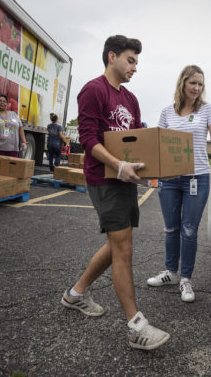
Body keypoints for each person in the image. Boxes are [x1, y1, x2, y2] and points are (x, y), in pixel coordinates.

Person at [60, 35, 170, 351]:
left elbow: (134, 139)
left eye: (137, 61)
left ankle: (76, 294)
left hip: (125, 181)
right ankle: (136, 326)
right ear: (112, 57)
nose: (135, 67)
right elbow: (88, 138)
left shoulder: (132, 100)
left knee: (117, 242)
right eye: (130, 60)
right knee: (123, 248)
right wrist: (117, 165)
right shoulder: (94, 90)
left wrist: (144, 169)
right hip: (103, 179)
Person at [146, 65, 211, 302]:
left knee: (189, 230)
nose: (197, 88)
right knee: (171, 228)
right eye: (193, 83)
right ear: (183, 83)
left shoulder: (207, 110)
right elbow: (159, 144)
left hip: (196, 178)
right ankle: (171, 272)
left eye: (200, 84)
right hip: (169, 179)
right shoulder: (167, 112)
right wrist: (152, 172)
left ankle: (186, 279)